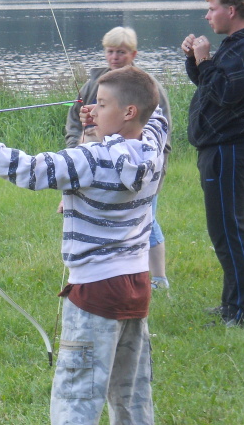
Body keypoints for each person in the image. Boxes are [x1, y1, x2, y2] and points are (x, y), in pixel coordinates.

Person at [0, 66, 168, 424]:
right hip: (136, 285)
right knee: (131, 392)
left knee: (77, 397)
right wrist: (105, 121)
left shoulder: (91, 159)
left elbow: (31, 169)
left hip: (95, 290)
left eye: (101, 104)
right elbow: (157, 116)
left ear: (129, 112)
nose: (92, 110)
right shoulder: (153, 144)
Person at [64, 26, 172, 291]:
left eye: (121, 52)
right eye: (110, 51)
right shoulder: (94, 85)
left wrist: (156, 173)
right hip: (98, 171)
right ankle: (115, 272)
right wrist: (79, 145)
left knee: (146, 221)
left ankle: (158, 278)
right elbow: (75, 124)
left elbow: (161, 134)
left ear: (133, 54)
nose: (114, 57)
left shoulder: (147, 87)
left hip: (140, 171)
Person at [181, 0, 244, 327]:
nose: (207, 16)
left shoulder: (242, 48)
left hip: (227, 150)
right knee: (228, 229)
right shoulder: (234, 46)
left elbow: (224, 93)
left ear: (231, 10)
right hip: (220, 150)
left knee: (227, 230)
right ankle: (232, 303)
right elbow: (210, 87)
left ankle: (239, 311)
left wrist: (205, 59)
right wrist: (195, 61)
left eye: (211, 9)